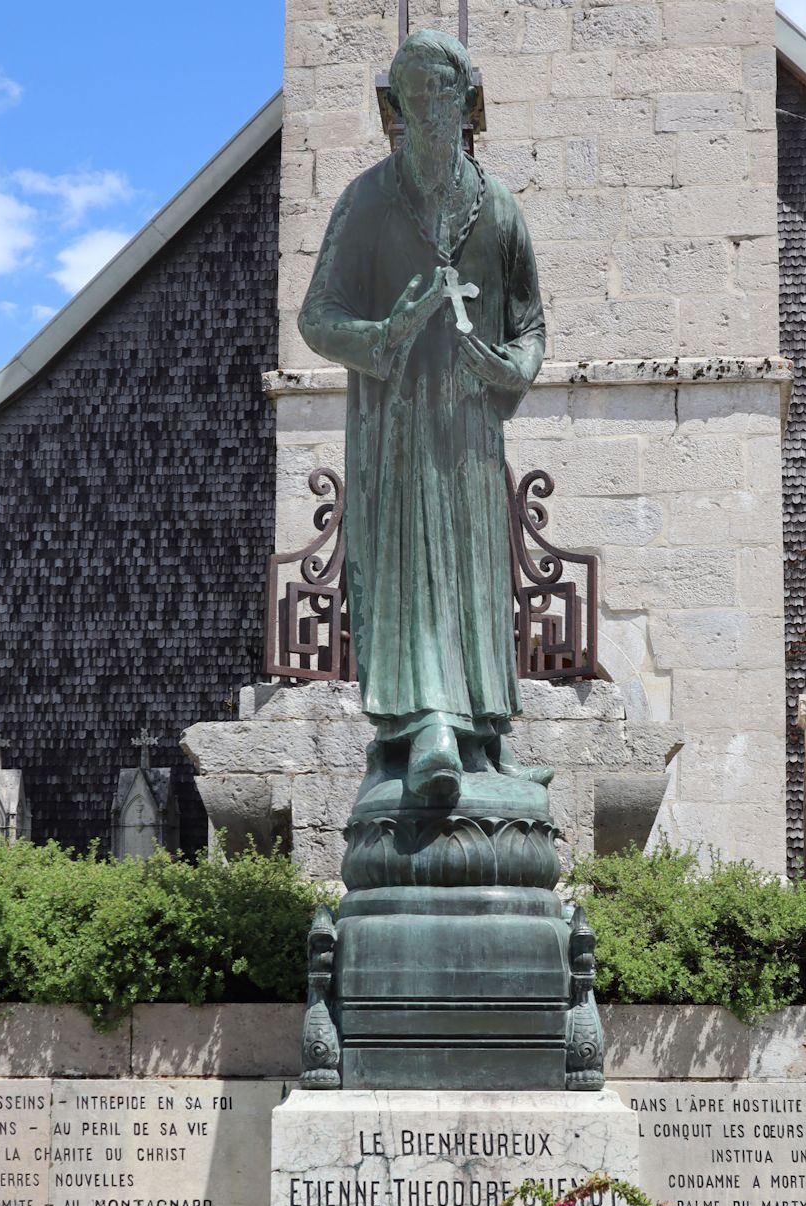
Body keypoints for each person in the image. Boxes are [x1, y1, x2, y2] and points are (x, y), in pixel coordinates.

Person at [298, 29, 550, 803]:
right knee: (409, 569)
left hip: (470, 433)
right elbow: (317, 317)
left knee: (477, 571)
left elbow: (532, 326)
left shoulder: (498, 206)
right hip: (396, 432)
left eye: (442, 92)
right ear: (395, 107)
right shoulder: (368, 201)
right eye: (412, 95)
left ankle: (484, 735)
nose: (428, 109)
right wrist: (381, 336)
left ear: (467, 102)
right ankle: (424, 726)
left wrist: (508, 367)